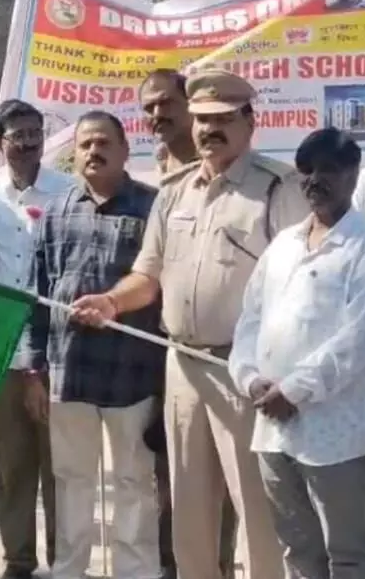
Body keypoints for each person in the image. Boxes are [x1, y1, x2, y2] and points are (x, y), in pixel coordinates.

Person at [71, 69, 310, 579]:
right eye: (202, 119)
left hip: (247, 371)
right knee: (188, 509)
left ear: (250, 122)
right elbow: (147, 274)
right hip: (182, 366)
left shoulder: (277, 189)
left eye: (223, 119)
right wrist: (112, 303)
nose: (209, 130)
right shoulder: (175, 190)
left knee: (258, 508)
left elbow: (302, 288)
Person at [231, 128, 365, 578]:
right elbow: (250, 321)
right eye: (306, 171)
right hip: (273, 427)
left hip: (338, 433)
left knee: (351, 554)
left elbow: (359, 341)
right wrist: (250, 379)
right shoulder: (284, 244)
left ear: (353, 174)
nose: (314, 180)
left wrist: (295, 390)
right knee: (298, 550)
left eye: (327, 170)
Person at [22, 111, 162, 578]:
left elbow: (160, 287)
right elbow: (37, 298)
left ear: (125, 150)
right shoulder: (56, 212)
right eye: (84, 144)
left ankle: (135, 572)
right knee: (72, 482)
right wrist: (35, 370)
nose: (93, 151)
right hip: (69, 372)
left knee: (133, 482)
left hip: (132, 374)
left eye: (103, 142)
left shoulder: (151, 208)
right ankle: (69, 569)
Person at [138, 67, 238, 578]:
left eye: (167, 104)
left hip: (230, 362)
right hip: (164, 355)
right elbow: (146, 275)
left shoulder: (253, 183)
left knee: (236, 485)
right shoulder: (160, 182)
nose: (159, 115)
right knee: (175, 480)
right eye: (149, 107)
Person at [0, 99, 64, 578]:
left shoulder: (69, 191)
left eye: (34, 132)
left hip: (57, 346)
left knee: (59, 466)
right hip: (3, 346)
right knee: (13, 466)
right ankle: (18, 561)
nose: (27, 143)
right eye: (17, 135)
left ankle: (65, 560)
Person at [139, 69, 197, 174]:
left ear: (191, 103)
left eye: (166, 103)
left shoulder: (218, 162)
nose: (157, 113)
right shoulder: (152, 175)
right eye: (149, 108)